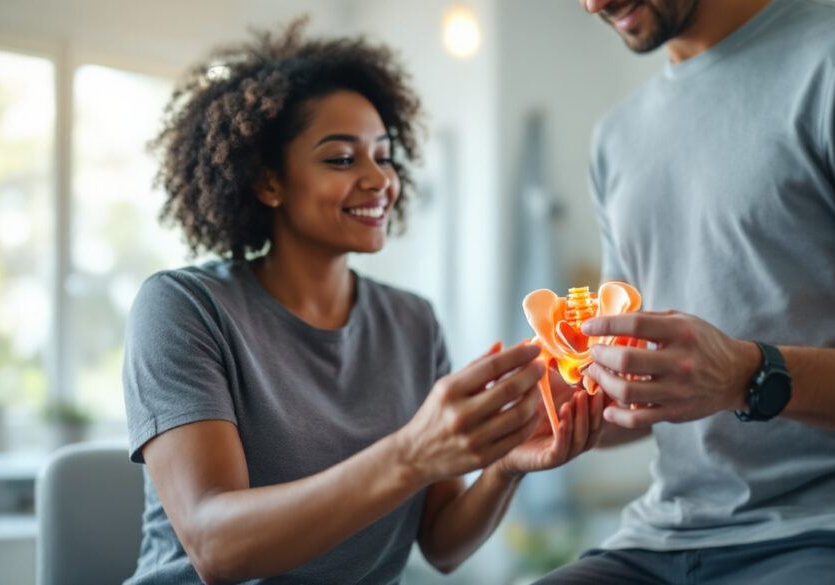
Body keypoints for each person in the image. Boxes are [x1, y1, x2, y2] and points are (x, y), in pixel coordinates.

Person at [122, 22, 603, 585]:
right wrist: (410, 454)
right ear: (268, 180)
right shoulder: (183, 309)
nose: (380, 180)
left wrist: (506, 466)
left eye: (384, 157)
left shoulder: (412, 322)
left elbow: (442, 544)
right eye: (342, 160)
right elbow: (216, 547)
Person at [534, 0, 835, 583]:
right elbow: (638, 389)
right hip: (654, 541)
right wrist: (551, 406)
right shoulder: (615, 139)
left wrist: (748, 374)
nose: (593, 4)